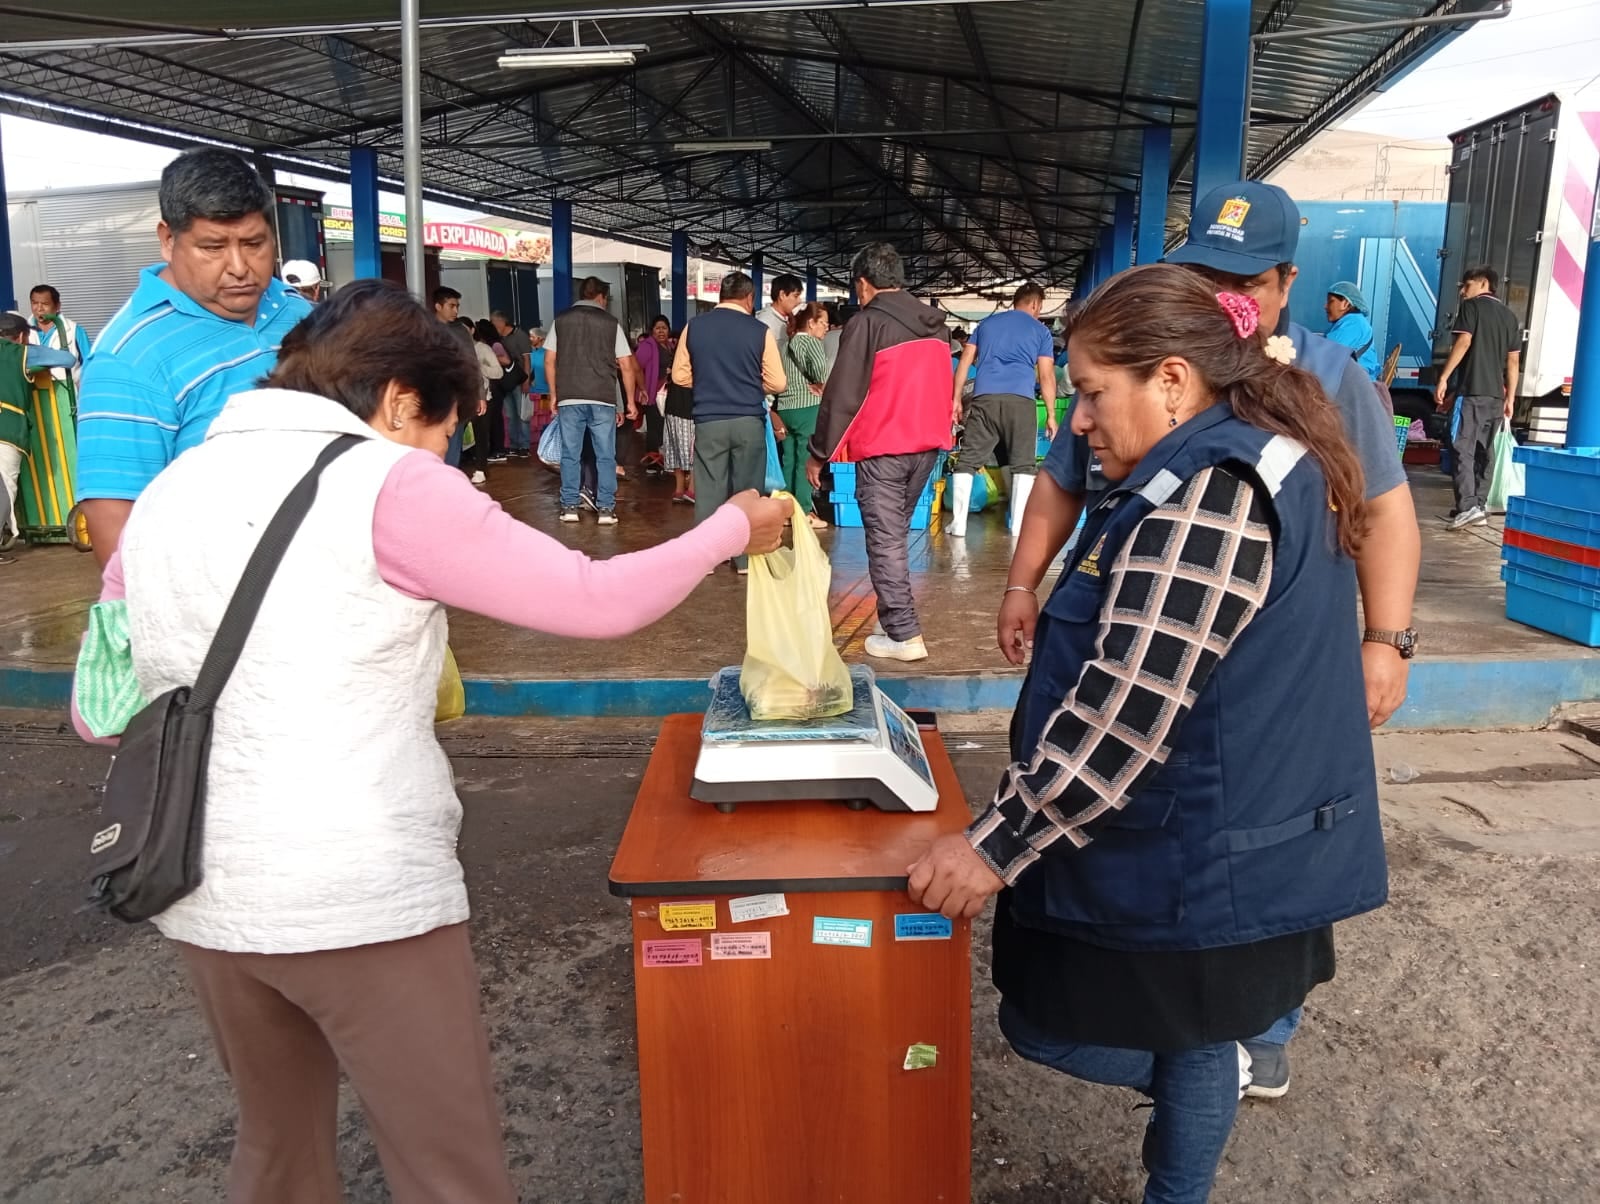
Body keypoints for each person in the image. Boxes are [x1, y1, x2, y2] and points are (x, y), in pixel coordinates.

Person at [70, 279, 788, 1204]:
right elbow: (595, 601)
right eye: (447, 429)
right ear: (400, 400)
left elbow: (106, 701)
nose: (445, 450)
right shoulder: (385, 481)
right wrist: (732, 527)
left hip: (197, 888)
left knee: (277, 1156)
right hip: (353, 896)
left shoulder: (169, 488)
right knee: (447, 1173)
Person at [908, 265, 1388, 1204]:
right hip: (1208, 834)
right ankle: (1195, 1118)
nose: (1079, 420)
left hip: (1203, 850)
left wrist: (992, 846)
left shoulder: (1214, 491)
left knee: (1085, 1026)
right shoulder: (1233, 454)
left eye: (1092, 394)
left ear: (1172, 379)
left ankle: (1183, 1165)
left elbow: (1127, 710)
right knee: (1175, 1036)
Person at [1000, 180, 1419, 1100]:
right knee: (1204, 955)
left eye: (1247, 280)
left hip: (1266, 678)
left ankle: (1236, 1052)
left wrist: (1386, 638)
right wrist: (1026, 582)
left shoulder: (1322, 384)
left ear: (1287, 282)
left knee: (1239, 909)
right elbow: (1066, 482)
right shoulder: (1146, 365)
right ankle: (1219, 1063)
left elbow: (1384, 512)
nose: (1226, 296)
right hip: (1192, 697)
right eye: (1204, 272)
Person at [75, 147, 312, 566]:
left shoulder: (297, 312)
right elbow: (115, 525)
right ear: (168, 240)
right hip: (224, 611)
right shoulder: (128, 359)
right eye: (213, 247)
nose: (240, 267)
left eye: (254, 243)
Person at [805, 243, 951, 659]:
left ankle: (904, 634)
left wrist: (819, 452)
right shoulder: (935, 325)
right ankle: (896, 627)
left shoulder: (868, 323)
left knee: (885, 542)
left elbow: (843, 393)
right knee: (895, 537)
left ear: (864, 284)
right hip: (927, 447)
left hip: (884, 448)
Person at [672, 271, 786, 573]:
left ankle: (707, 559)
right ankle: (744, 558)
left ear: (721, 295)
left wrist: (711, 382)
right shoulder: (759, 330)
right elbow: (778, 382)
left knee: (709, 488)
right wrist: (747, 384)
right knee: (747, 490)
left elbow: (679, 376)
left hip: (709, 421)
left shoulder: (693, 327)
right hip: (748, 420)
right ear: (749, 298)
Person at [949, 281, 1058, 537]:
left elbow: (964, 361)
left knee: (969, 460)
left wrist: (955, 398)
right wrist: (1051, 414)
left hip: (984, 398)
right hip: (1021, 401)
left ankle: (959, 524)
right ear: (1035, 305)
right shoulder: (1040, 331)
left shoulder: (986, 325)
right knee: (1023, 464)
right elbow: (1046, 375)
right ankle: (1019, 526)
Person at [547, 277, 639, 526]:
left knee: (570, 455)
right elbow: (626, 365)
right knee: (605, 455)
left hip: (570, 397)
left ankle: (569, 507)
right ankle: (606, 509)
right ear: (600, 297)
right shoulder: (611, 323)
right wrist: (629, 402)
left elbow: (549, 360)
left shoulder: (561, 320)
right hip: (602, 398)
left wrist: (554, 395)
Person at [1436, 265, 1521, 530]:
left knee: (1463, 447)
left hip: (1471, 393)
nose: (1463, 291)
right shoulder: (1509, 316)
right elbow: (1513, 361)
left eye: (1466, 284)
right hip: (1496, 396)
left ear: (1483, 283)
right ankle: (1479, 505)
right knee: (1486, 451)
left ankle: (1468, 507)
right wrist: (1511, 397)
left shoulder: (1472, 308)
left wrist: (1443, 377)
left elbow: (1463, 343)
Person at [0, 313, 78, 555]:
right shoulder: (21, 353)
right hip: (7, 428)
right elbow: (67, 359)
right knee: (3, 487)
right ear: (22, 336)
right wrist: (31, 351)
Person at [775, 301, 831, 528]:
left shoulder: (785, 345)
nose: (826, 328)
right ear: (811, 323)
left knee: (788, 460)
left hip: (785, 408)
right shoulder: (811, 342)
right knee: (805, 460)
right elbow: (820, 372)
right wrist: (820, 383)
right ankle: (805, 511)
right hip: (807, 407)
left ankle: (786, 512)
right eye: (824, 323)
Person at [433, 289, 480, 473]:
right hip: (434, 396)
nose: (456, 311)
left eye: (457, 306)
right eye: (451, 306)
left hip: (458, 395)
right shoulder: (425, 328)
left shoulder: (461, 331)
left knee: (454, 439)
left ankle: (450, 476)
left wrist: (479, 394)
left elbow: (472, 362)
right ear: (438, 306)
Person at [27, 284, 93, 391]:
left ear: (57, 306)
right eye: (34, 303)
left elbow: (90, 364)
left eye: (45, 304)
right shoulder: (23, 331)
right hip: (34, 396)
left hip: (68, 394)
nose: (39, 308)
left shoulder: (74, 330)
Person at [469, 319, 510, 486]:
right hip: (460, 399)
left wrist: (479, 368)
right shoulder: (453, 348)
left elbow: (499, 371)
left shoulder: (483, 348)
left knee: (481, 433)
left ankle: (480, 468)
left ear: (472, 330)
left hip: (483, 397)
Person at [489, 311, 533, 459]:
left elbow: (527, 359)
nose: (492, 326)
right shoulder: (499, 339)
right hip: (505, 382)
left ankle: (525, 445)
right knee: (510, 414)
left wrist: (526, 380)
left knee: (522, 414)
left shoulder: (520, 336)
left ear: (501, 322)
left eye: (493, 322)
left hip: (519, 381)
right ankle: (514, 445)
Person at [635, 315, 672, 470]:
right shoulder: (648, 346)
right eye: (658, 328)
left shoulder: (669, 346)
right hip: (652, 392)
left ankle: (662, 459)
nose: (661, 331)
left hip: (666, 392)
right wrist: (642, 388)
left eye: (664, 328)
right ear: (652, 331)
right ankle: (652, 463)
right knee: (654, 427)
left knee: (664, 426)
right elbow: (636, 367)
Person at [1324, 281, 1381, 379]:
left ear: (1345, 303)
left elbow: (1326, 352)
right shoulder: (1350, 321)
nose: (1325, 306)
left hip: (1357, 386)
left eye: (1330, 301)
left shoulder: (1353, 323)